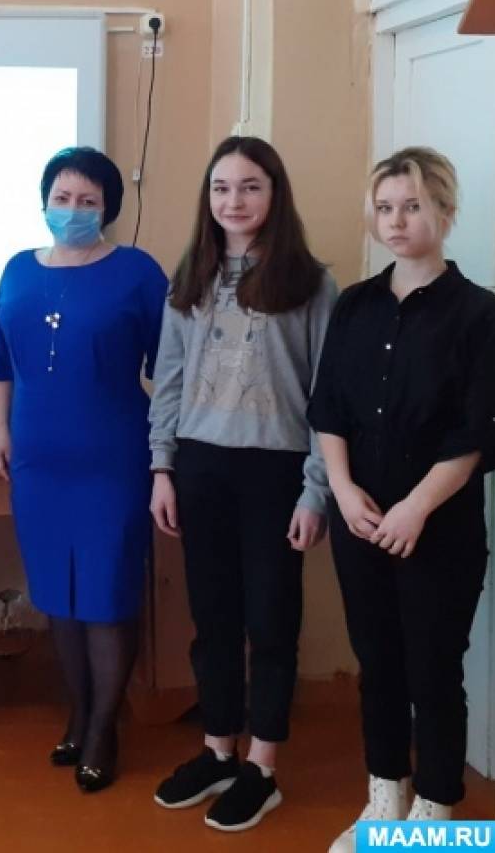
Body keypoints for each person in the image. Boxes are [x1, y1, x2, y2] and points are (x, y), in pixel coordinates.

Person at [312, 148, 495, 852]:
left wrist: (416, 507)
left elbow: (479, 430)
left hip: (438, 527)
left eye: (412, 206)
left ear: (443, 214)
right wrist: (342, 490)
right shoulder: (355, 305)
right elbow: (328, 409)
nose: (396, 220)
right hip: (359, 519)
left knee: (433, 668)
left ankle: (436, 807)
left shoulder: (479, 314)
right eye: (385, 207)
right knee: (378, 664)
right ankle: (384, 794)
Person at [148, 136, 338, 831]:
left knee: (270, 621)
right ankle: (218, 750)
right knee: (214, 619)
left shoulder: (311, 283)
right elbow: (169, 379)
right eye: (221, 187)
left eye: (250, 186)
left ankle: (262, 766)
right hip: (200, 465)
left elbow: (327, 398)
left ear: (274, 193)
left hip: (275, 471)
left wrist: (315, 490)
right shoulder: (190, 276)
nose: (234, 200)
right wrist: (162, 467)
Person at [0, 146, 168, 794]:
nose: (73, 210)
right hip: (38, 460)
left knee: (107, 593)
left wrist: (166, 456)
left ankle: (102, 729)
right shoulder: (16, 269)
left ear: (107, 207)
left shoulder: (138, 272)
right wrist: (0, 429)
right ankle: (78, 711)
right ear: (44, 201)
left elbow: (169, 369)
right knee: (57, 595)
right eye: (62, 198)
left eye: (88, 200)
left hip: (114, 458)